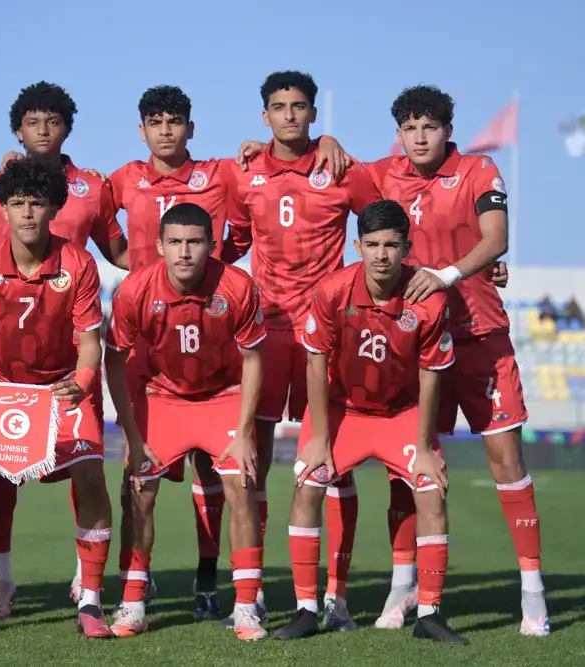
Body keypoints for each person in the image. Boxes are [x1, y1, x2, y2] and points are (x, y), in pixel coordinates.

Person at [105, 84, 349, 621]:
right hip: (150, 339)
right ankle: (126, 590)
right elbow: (88, 224)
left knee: (224, 474)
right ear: (141, 130)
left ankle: (216, 583)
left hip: (215, 339)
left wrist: (323, 140)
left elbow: (275, 166)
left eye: (175, 121)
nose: (165, 131)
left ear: (190, 128)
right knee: (135, 479)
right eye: (155, 122)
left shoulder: (222, 173)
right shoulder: (119, 180)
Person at [365, 85, 548, 637]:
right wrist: (322, 143)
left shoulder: (477, 170)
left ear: (448, 130)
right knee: (408, 470)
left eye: (430, 127)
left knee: (506, 461)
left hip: (480, 337)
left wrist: (448, 274)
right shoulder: (382, 174)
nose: (419, 138)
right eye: (409, 128)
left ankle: (533, 592)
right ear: (398, 133)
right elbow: (325, 182)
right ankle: (403, 588)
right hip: (416, 344)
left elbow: (496, 239)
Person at [223, 71, 382, 630]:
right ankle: (254, 593)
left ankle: (336, 596)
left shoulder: (343, 169)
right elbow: (229, 244)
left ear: (314, 114)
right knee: (254, 462)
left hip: (328, 333)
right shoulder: (243, 172)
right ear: (264, 115)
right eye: (278, 106)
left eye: (298, 106)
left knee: (333, 462)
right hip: (267, 332)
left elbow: (388, 228)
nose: (289, 115)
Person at [0, 81, 127, 618]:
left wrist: (176, 266)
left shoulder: (90, 197)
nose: (28, 213)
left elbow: (118, 257)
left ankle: (89, 586)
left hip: (67, 373)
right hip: (6, 373)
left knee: (87, 471)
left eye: (53, 121)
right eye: (32, 122)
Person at [275, 199, 467, 644]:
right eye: (373, 245)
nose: (382, 255)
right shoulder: (332, 291)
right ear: (358, 246)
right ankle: (306, 609)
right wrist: (319, 438)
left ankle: (430, 613)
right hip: (343, 411)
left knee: (431, 491)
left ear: (407, 248)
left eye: (391, 245)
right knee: (307, 484)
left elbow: (431, 375)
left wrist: (425, 448)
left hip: (401, 413)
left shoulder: (429, 300)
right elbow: (315, 362)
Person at [0, 159, 113, 639]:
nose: (26, 213)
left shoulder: (78, 264)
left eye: (36, 203)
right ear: (3, 208)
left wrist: (82, 381)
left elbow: (90, 343)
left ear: (54, 208)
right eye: (16, 203)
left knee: (90, 476)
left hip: (63, 388)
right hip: (2, 389)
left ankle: (91, 600)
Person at [104, 202, 268, 641]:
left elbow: (254, 358)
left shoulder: (237, 286)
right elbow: (114, 361)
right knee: (139, 488)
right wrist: (131, 435)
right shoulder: (135, 290)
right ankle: (133, 602)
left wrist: (245, 433)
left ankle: (246, 606)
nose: (184, 252)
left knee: (242, 485)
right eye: (175, 242)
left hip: (222, 396)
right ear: (159, 246)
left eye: (194, 242)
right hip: (162, 397)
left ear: (211, 245)